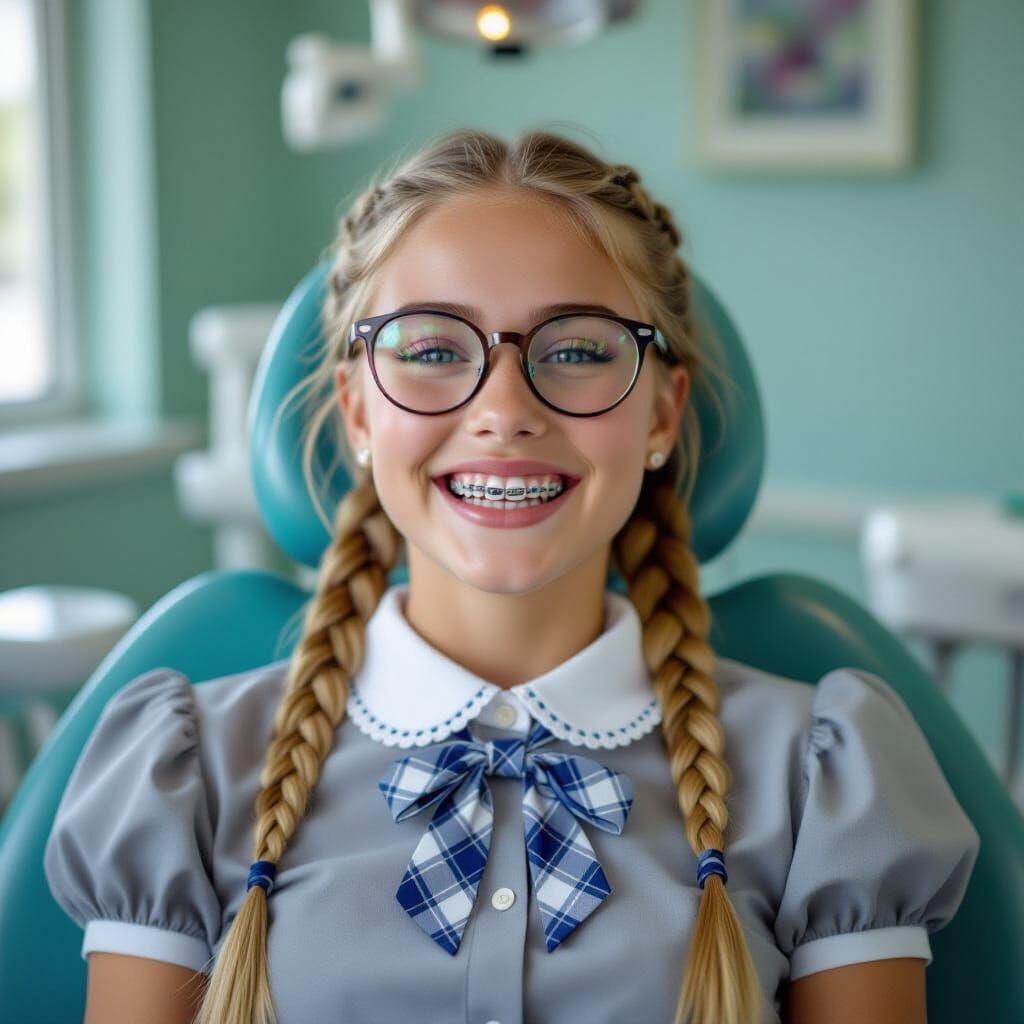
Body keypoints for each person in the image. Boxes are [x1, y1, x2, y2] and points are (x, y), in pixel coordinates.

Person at [44, 128, 980, 1024]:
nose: (503, 409)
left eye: (574, 351)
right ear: (358, 414)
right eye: (433, 350)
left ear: (662, 415)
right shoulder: (188, 775)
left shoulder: (820, 779)